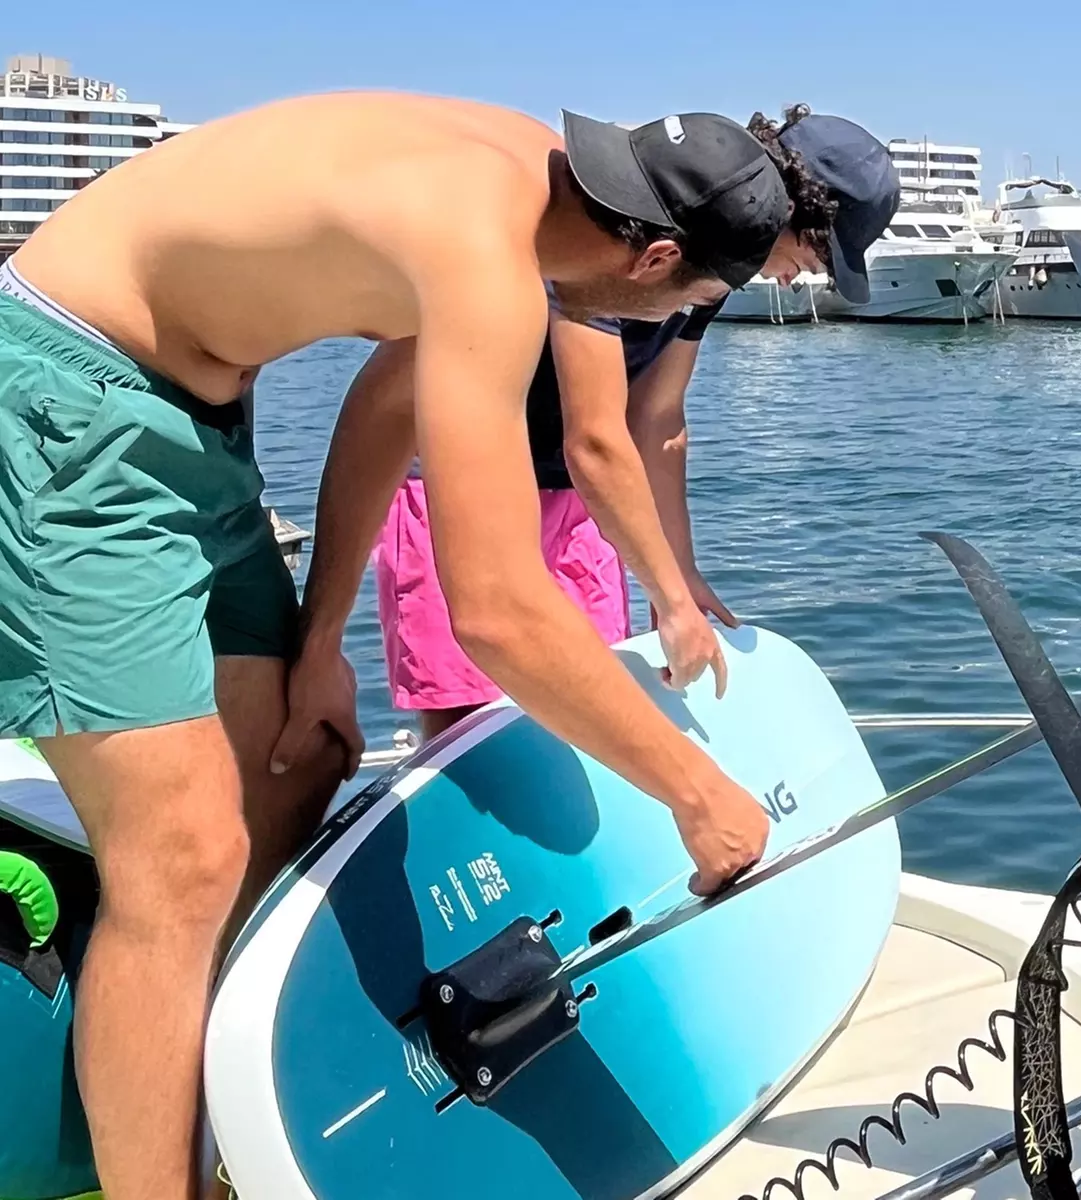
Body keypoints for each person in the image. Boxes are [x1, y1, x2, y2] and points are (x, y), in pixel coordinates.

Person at [0, 93, 796, 1200]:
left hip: (203, 422)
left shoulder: (537, 185)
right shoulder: (486, 252)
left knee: (301, 757)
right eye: (689, 302)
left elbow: (385, 410)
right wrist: (696, 795)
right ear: (654, 256)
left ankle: (207, 1121)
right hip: (66, 402)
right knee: (181, 858)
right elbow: (497, 611)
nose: (668, 322)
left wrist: (321, 640)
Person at [364, 106, 898, 742]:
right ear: (793, 210)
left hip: (580, 500)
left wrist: (679, 574)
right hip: (462, 482)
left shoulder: (717, 272)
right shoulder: (639, 228)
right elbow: (594, 437)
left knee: (597, 707)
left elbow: (659, 417)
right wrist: (669, 599)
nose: (808, 275)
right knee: (472, 725)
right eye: (819, 254)